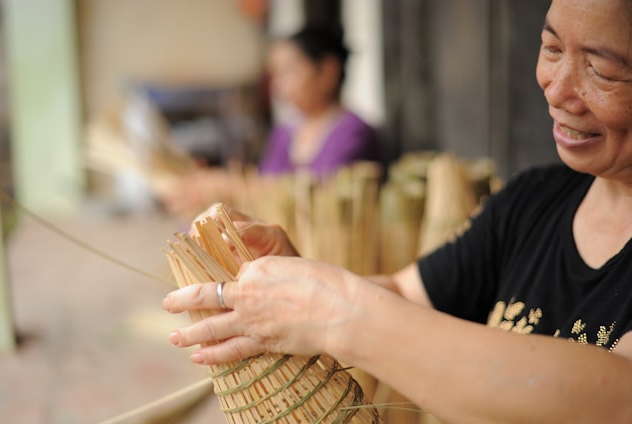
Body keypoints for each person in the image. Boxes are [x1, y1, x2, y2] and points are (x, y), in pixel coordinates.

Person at [162, 0, 632, 422]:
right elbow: (407, 295)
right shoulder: (533, 200)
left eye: (602, 71)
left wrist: (333, 310)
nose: (556, 89)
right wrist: (296, 282)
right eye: (551, 48)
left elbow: (616, 398)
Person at [161, 25, 380, 219]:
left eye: (288, 72)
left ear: (327, 71)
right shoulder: (285, 133)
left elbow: (321, 198)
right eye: (275, 76)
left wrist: (230, 185)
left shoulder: (354, 133)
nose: (277, 87)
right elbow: (264, 188)